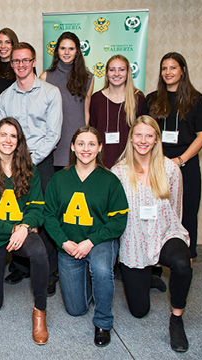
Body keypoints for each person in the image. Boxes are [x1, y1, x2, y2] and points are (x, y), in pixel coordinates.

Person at [111, 115, 192, 352]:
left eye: (149, 135)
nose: (143, 140)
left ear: (156, 138)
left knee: (181, 262)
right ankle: (148, 277)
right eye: (139, 135)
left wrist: (171, 234)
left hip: (165, 232)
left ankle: (176, 319)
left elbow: (176, 208)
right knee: (139, 312)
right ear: (131, 138)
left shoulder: (170, 169)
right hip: (134, 241)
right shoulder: (119, 173)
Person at [43, 126, 128, 347]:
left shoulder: (110, 180)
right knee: (75, 310)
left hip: (98, 241)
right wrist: (63, 242)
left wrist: (90, 242)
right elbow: (49, 216)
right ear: (72, 147)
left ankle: (103, 322)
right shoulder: (59, 179)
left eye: (91, 144)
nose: (86, 149)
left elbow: (118, 221)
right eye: (80, 143)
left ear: (100, 148)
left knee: (101, 269)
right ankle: (92, 286)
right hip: (69, 245)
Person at [0, 118, 50, 345]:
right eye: (3, 135)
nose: (8, 140)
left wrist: (24, 227)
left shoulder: (29, 169)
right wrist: (12, 228)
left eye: (13, 136)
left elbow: (37, 207)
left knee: (39, 252)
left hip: (22, 231)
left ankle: (40, 311)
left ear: (19, 141)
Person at [0, 42, 62, 294]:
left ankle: (49, 271)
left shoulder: (50, 93)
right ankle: (22, 267)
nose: (21, 65)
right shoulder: (5, 97)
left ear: (34, 62)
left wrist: (28, 161)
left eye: (25, 60)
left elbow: (53, 133)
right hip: (10, 163)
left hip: (40, 162)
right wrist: (12, 161)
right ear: (11, 64)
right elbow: (3, 134)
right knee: (15, 212)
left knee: (42, 216)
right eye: (16, 61)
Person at [143, 52, 202, 260]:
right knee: (155, 212)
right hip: (156, 164)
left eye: (173, 68)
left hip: (185, 164)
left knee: (187, 212)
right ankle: (153, 258)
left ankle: (187, 259)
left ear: (183, 70)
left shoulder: (195, 99)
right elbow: (144, 133)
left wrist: (180, 160)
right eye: (164, 68)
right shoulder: (152, 99)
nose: (168, 72)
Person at [40, 32, 94, 170]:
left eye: (71, 49)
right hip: (55, 142)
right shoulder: (45, 77)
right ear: (57, 51)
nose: (66, 52)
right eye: (63, 48)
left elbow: (86, 111)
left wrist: (84, 140)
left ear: (77, 51)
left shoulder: (88, 78)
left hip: (77, 141)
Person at [89, 55, 145, 168]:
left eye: (122, 69)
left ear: (128, 73)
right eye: (112, 70)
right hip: (101, 163)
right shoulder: (96, 99)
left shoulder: (138, 98)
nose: (116, 74)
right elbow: (93, 131)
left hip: (130, 162)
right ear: (106, 73)